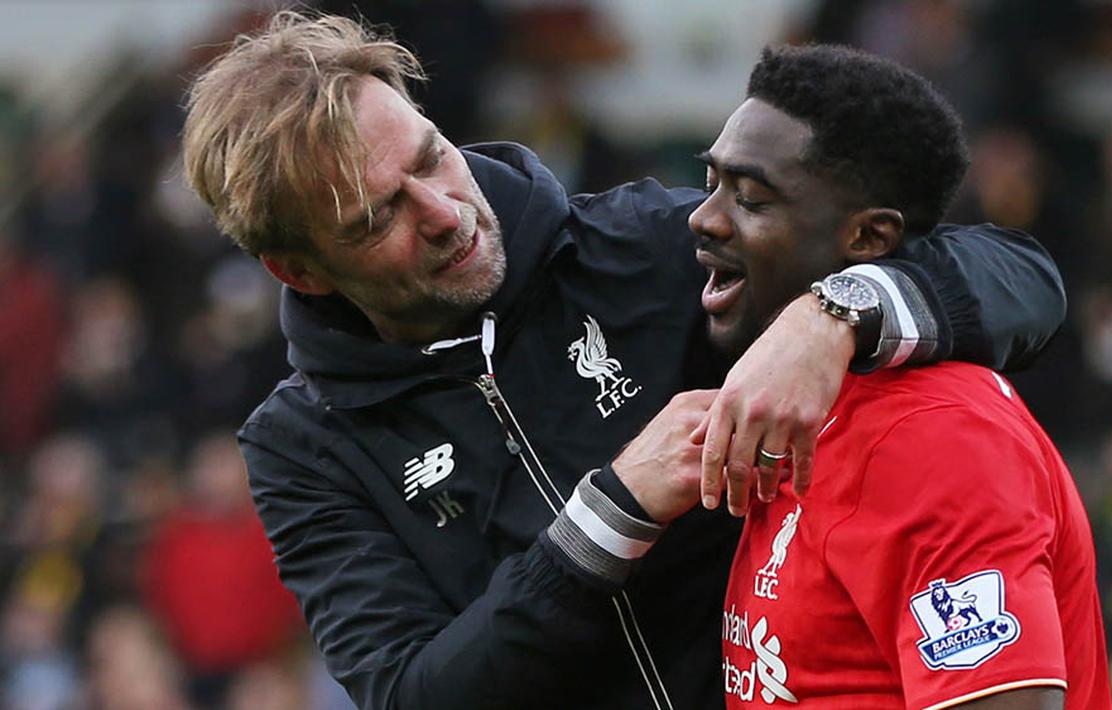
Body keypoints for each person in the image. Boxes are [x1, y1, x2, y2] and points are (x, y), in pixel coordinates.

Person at [182, 12, 1067, 710]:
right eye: (379, 217)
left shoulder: (646, 244)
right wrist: (611, 514)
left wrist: (832, 312)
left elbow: (1020, 280)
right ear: (297, 269)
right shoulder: (303, 444)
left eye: (430, 158)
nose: (445, 211)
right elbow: (416, 693)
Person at [622, 45, 1107, 708]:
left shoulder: (936, 438)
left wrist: (825, 313)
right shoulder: (795, 408)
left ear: (868, 239)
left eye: (751, 199)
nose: (701, 218)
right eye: (711, 184)